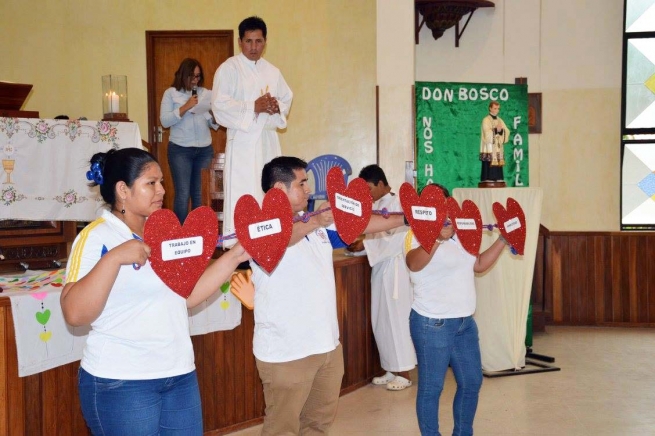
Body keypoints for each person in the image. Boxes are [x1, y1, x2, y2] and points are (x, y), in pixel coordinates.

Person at [61, 148, 250, 435]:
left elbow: (184, 296)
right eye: (151, 183)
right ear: (123, 190)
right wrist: (113, 258)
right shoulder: (96, 237)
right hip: (121, 381)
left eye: (161, 181)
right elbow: (74, 313)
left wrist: (235, 256)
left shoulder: (164, 234)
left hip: (178, 375)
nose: (162, 190)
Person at [248, 156, 405, 435]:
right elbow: (277, 241)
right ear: (278, 190)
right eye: (302, 183)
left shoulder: (314, 225)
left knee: (317, 426)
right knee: (281, 429)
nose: (309, 189)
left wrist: (408, 218)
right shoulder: (260, 226)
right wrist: (317, 221)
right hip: (287, 354)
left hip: (327, 349)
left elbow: (363, 225)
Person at [404, 184, 507, 436]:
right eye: (437, 206)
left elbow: (479, 264)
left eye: (446, 203)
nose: (445, 211)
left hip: (464, 323)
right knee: (432, 388)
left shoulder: (461, 233)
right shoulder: (415, 234)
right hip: (432, 323)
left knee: (472, 382)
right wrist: (437, 238)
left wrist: (504, 238)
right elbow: (413, 264)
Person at [211, 16, 293, 246]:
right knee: (245, 192)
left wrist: (278, 107)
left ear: (265, 42)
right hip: (243, 143)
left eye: (258, 41)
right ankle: (241, 247)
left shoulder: (273, 71)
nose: (254, 47)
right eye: (249, 41)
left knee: (269, 191)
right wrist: (252, 107)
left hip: (267, 140)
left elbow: (287, 98)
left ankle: (271, 241)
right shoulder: (229, 69)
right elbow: (219, 106)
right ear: (240, 42)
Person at [346, 164, 416, 391]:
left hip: (396, 269)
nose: (367, 194)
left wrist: (365, 242)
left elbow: (397, 239)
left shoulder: (399, 204)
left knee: (396, 320)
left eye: (368, 189)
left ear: (381, 184)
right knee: (381, 321)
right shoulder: (373, 207)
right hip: (380, 268)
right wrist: (357, 247)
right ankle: (390, 368)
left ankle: (404, 372)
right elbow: (375, 239)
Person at [160, 58, 218, 223]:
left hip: (204, 150)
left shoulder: (205, 94)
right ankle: (181, 236)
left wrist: (214, 114)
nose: (195, 80)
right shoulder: (171, 93)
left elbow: (212, 123)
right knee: (183, 193)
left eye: (198, 76)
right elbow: (164, 121)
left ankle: (198, 235)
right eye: (192, 76)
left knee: (200, 195)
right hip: (180, 149)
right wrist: (186, 106)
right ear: (183, 75)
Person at [479, 100, 510, 183]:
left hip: (497, 146)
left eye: (498, 109)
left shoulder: (500, 120)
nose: (497, 110)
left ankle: (498, 177)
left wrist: (501, 131)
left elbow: (506, 130)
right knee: (488, 163)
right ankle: (488, 177)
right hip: (489, 147)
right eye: (495, 108)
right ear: (490, 108)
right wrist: (496, 130)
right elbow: (486, 132)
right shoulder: (486, 120)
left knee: (498, 163)